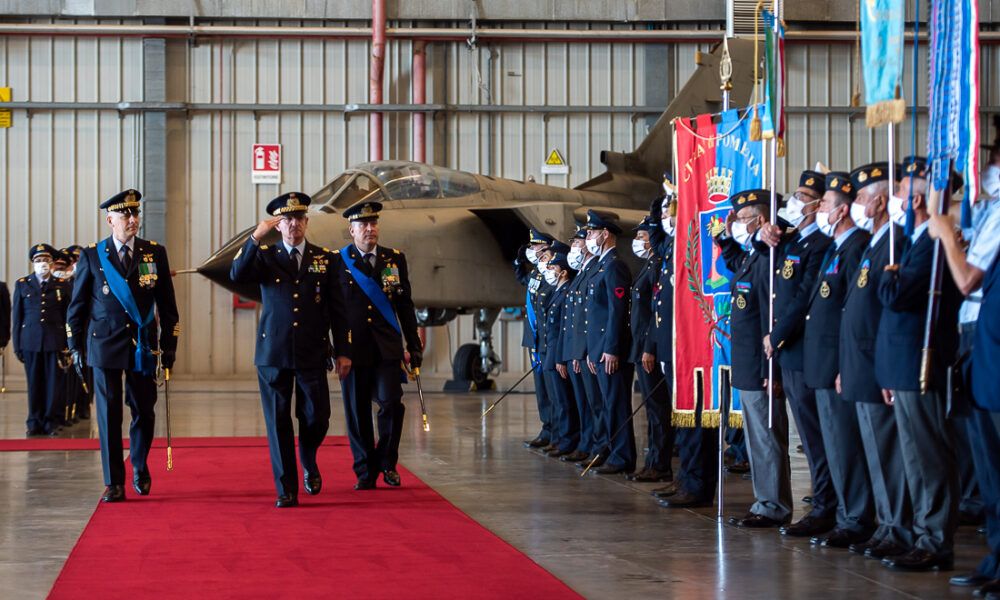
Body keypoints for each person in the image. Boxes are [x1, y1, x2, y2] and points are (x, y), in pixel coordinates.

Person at [230, 191, 351, 507]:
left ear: (306, 222)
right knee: (278, 420)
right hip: (273, 354)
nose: (293, 224)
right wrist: (255, 238)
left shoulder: (327, 259)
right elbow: (237, 274)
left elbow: (339, 309)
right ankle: (286, 489)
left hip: (313, 351)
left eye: (298, 218)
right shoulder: (265, 256)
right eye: (287, 219)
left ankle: (308, 457)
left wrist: (343, 350)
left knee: (318, 416)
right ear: (279, 226)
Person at [875, 157, 963, 571]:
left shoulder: (931, 242)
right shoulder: (913, 241)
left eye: (900, 192)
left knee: (929, 456)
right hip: (902, 362)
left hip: (921, 359)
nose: (895, 199)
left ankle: (935, 539)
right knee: (914, 457)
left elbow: (896, 296)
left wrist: (887, 277)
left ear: (917, 200)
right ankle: (920, 533)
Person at [67, 189, 180, 502]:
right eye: (125, 215)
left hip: (143, 343)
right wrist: (74, 345)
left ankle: (140, 466)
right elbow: (77, 306)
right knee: (109, 413)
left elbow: (168, 305)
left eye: (135, 213)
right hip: (103, 344)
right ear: (110, 220)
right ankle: (113, 481)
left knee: (144, 409)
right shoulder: (92, 255)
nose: (132, 220)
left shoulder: (153, 253)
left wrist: (170, 343)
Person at [927, 142, 1000, 596]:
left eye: (991, 160)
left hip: (991, 342)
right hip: (978, 342)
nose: (986, 169)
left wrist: (947, 234)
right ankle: (995, 557)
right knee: (987, 466)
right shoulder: (988, 210)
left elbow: (968, 276)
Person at [838, 163, 912, 560]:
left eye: (862, 198)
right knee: (875, 452)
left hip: (875, 362)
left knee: (888, 452)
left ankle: (897, 526)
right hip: (860, 362)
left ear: (881, 201)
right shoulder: (873, 243)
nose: (856, 206)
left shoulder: (894, 243)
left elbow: (886, 314)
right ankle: (886, 524)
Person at [758, 169, 836, 537]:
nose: (795, 202)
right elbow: (766, 259)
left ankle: (826, 505)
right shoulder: (794, 241)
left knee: (817, 437)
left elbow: (804, 295)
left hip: (803, 349)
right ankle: (824, 502)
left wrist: (778, 334)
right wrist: (762, 234)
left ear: (821, 205)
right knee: (807, 434)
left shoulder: (820, 243)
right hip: (789, 353)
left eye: (804, 198)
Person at [798, 171, 874, 548]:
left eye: (825, 204)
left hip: (838, 363)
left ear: (842, 210)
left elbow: (851, 311)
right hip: (822, 362)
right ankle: (845, 514)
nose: (819, 209)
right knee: (833, 446)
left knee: (847, 446)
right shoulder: (833, 247)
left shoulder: (857, 245)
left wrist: (846, 363)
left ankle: (856, 517)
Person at [716, 189, 792, 528]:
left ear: (761, 221)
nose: (737, 225)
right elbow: (731, 262)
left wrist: (769, 369)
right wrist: (724, 234)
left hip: (761, 366)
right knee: (757, 438)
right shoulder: (753, 255)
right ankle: (765, 500)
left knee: (766, 438)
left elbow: (769, 317)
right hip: (747, 363)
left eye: (743, 220)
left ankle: (772, 505)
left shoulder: (770, 258)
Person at [334, 200, 421, 491]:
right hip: (353, 348)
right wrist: (333, 349)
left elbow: (404, 304)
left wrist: (414, 344)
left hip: (387, 347)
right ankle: (364, 470)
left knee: (391, 404)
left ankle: (387, 462)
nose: (370, 230)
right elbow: (332, 310)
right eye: (363, 226)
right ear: (352, 230)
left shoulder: (394, 259)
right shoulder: (339, 261)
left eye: (373, 224)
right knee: (357, 411)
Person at [582, 210, 636, 475]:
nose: (588, 237)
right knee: (607, 404)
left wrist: (611, 349)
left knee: (616, 404)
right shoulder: (600, 266)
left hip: (610, 350)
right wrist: (594, 352)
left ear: (605, 234)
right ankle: (612, 451)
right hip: (599, 350)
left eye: (591, 232)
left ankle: (622, 456)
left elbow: (617, 311)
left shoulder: (614, 265)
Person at [626, 215, 674, 483]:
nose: (638, 242)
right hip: (642, 347)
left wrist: (648, 347)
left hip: (650, 348)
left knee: (659, 410)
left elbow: (656, 313)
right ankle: (654, 461)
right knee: (653, 410)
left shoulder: (657, 266)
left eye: (642, 237)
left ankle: (661, 463)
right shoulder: (648, 266)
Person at [13, 244, 70, 437]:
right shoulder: (22, 284)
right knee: (34, 383)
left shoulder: (62, 285)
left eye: (46, 260)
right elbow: (17, 317)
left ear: (52, 263)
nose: (42, 264)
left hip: (55, 341)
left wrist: (68, 345)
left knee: (53, 384)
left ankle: (51, 422)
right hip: (30, 341)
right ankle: (34, 421)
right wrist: (17, 345)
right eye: (38, 261)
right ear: (32, 263)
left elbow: (67, 317)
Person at [560, 228, 603, 466]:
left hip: (594, 351)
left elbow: (597, 319)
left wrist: (586, 351)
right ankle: (589, 444)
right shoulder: (581, 275)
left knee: (597, 404)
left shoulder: (602, 270)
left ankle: (599, 447)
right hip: (581, 352)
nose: (577, 246)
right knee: (586, 404)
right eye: (576, 241)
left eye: (580, 240)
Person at [515, 229, 555, 449]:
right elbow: (522, 278)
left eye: (535, 246)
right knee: (541, 389)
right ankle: (547, 428)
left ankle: (558, 432)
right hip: (534, 340)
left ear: (546, 247)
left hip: (546, 340)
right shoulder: (536, 274)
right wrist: (518, 260)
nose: (531, 250)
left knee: (554, 390)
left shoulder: (551, 273)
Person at [539, 250, 579, 458]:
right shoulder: (557, 292)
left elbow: (563, 329)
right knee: (556, 401)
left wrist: (559, 358)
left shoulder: (565, 293)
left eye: (553, 267)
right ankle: (558, 438)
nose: (549, 271)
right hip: (550, 353)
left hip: (557, 354)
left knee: (564, 402)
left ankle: (567, 440)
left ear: (563, 272)